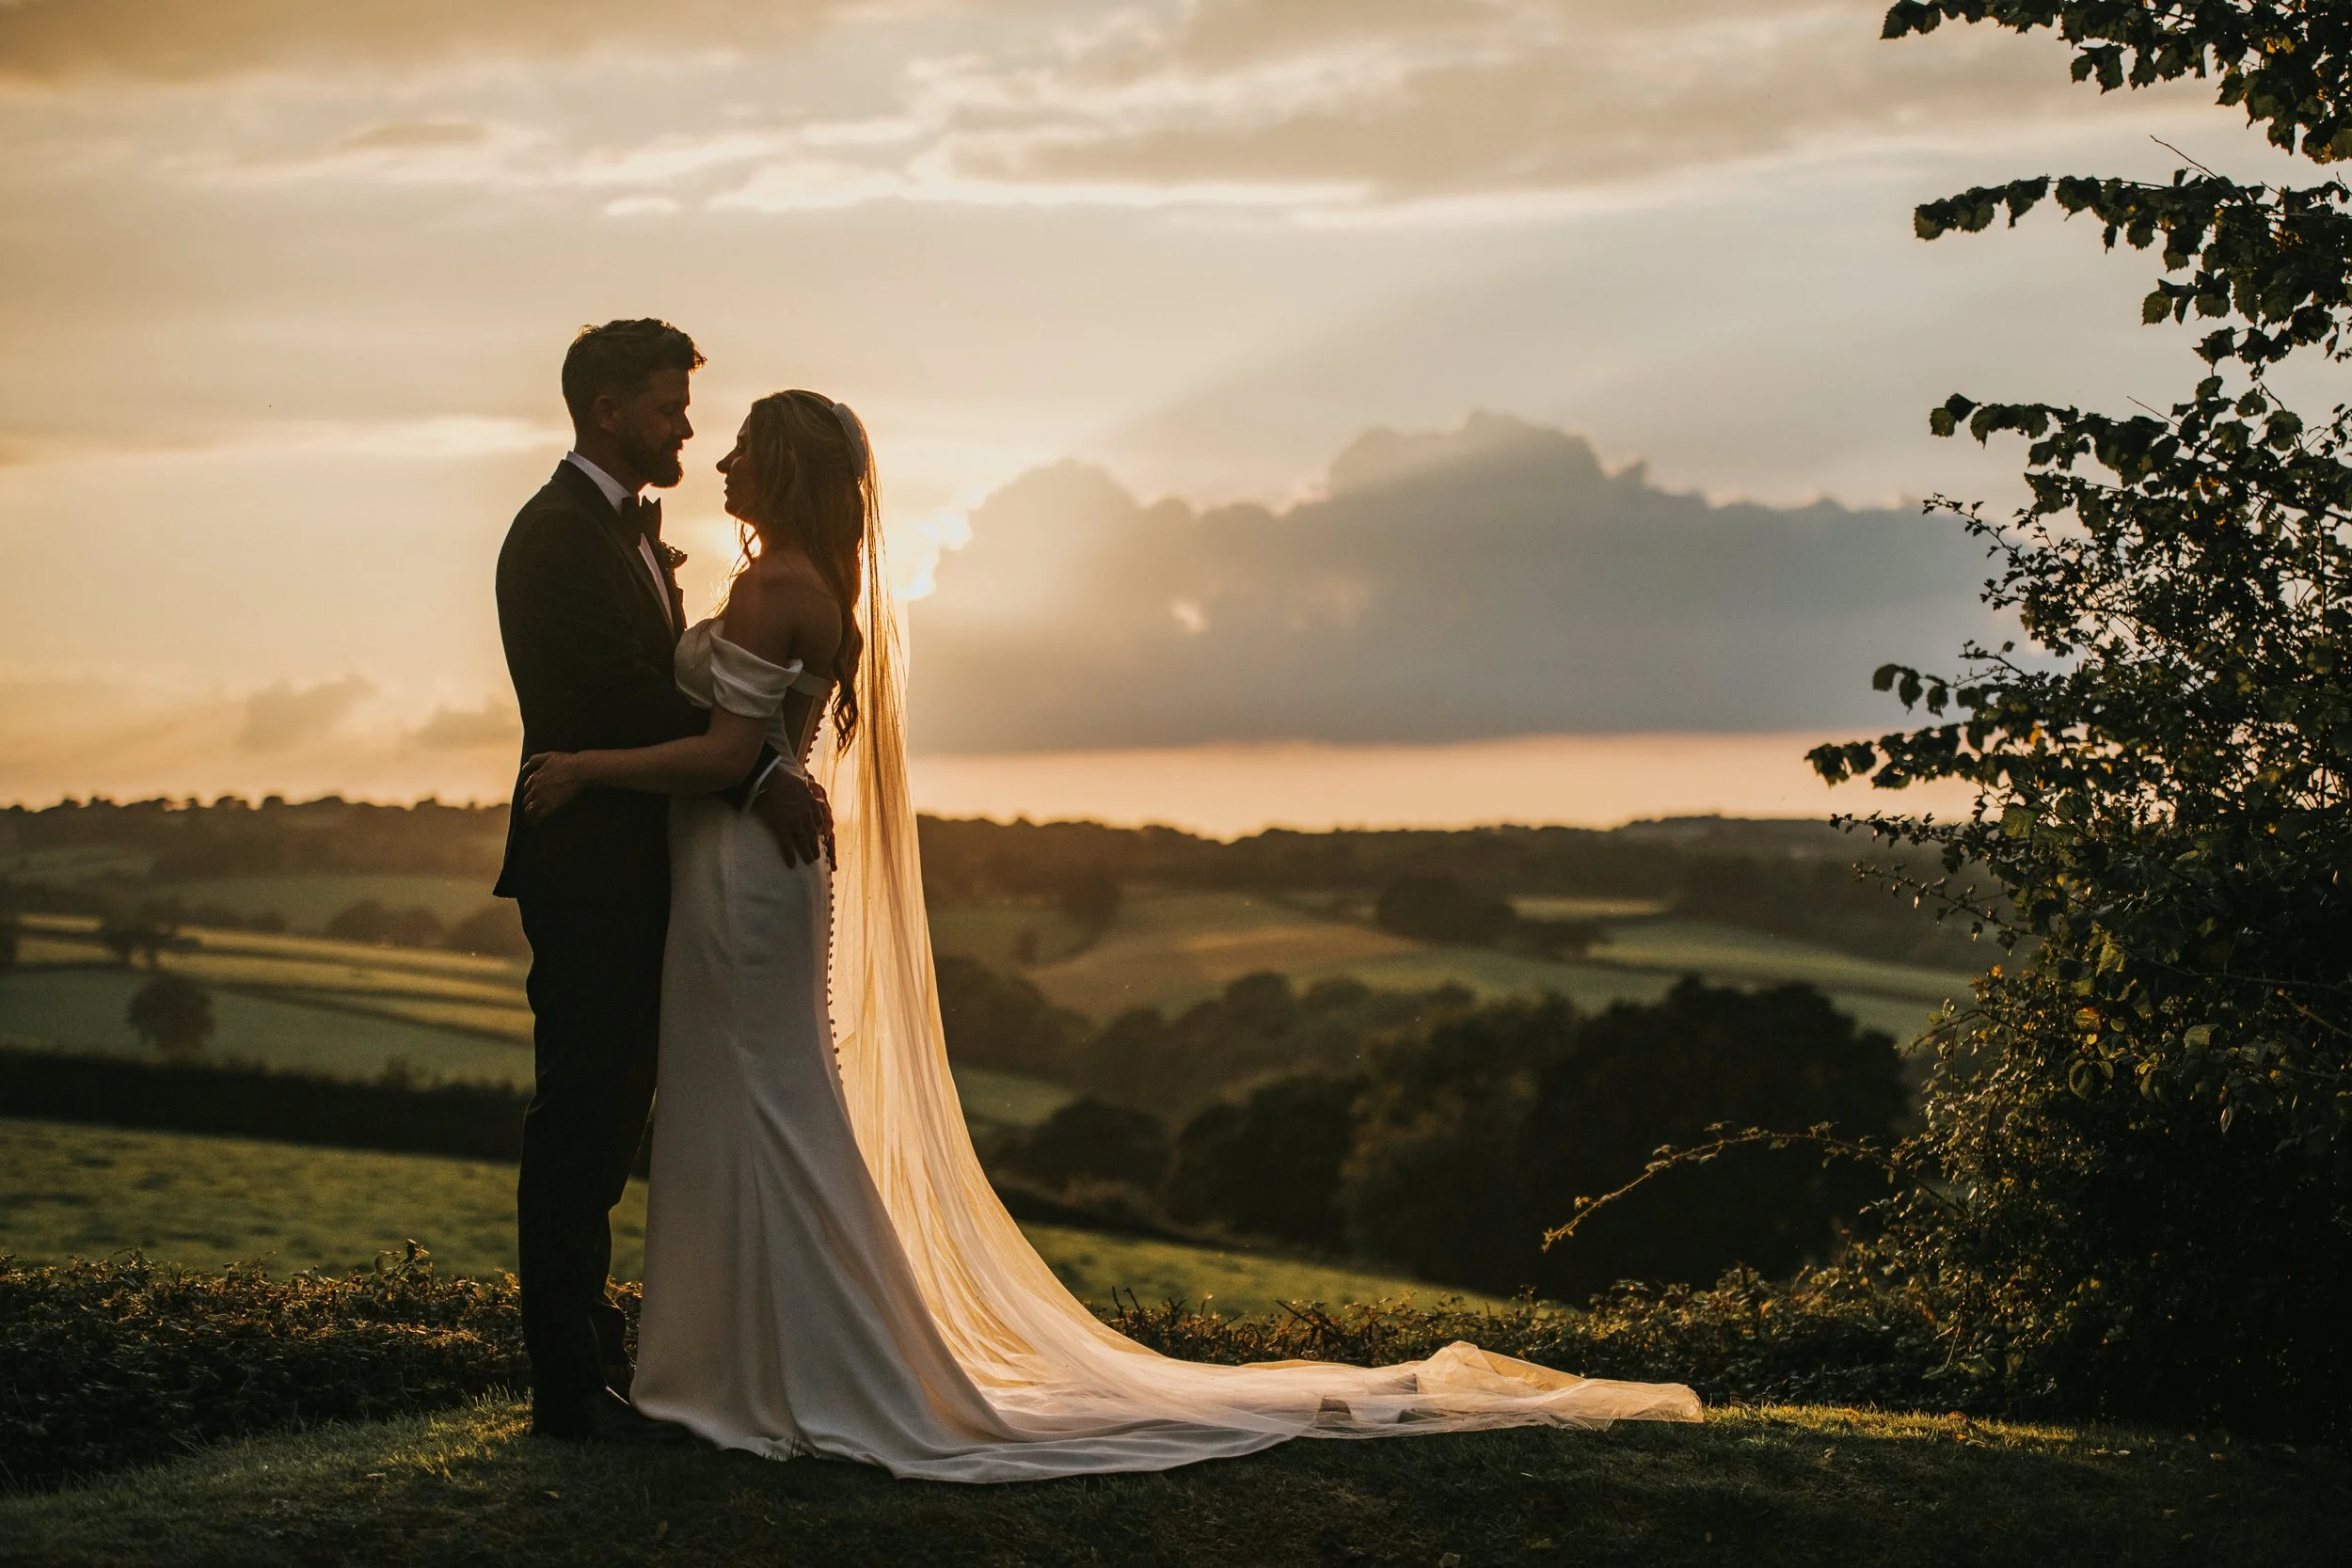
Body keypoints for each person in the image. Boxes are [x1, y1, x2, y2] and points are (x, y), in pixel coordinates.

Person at [519, 387, 1700, 1479]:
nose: (717, 455)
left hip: (742, 875)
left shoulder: (774, 588)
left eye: (739, 446)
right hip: (757, 874)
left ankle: (780, 1366)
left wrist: (584, 766)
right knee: (770, 1095)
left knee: (761, 1097)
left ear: (777, 466)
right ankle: (765, 1356)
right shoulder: (810, 577)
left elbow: (730, 756)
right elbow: (750, 743)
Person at [492, 321, 829, 1443]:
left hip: (656, 865)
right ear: (604, 411)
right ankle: (567, 1388)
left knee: (622, 1113)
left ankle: (619, 1357)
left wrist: (748, 759)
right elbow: (611, 703)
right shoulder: (553, 539)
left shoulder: (632, 533)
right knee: (582, 1116)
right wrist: (760, 769)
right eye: (667, 404)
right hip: (589, 869)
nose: (687, 425)